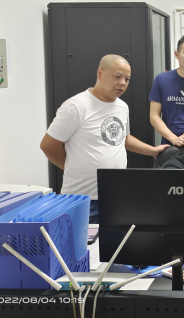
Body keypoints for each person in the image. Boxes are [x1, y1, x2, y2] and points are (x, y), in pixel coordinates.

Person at [40, 55, 169, 223]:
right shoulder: (77, 106)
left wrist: (153, 151)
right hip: (82, 198)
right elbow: (48, 145)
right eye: (117, 76)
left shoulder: (122, 107)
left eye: (127, 79)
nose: (122, 83)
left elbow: (122, 138)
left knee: (115, 240)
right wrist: (71, 166)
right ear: (100, 73)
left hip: (115, 196)